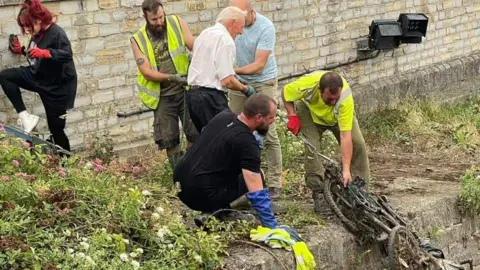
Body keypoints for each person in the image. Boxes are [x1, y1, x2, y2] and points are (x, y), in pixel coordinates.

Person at [173, 94, 289, 229]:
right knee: (258, 175)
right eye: (271, 117)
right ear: (258, 117)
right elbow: (256, 189)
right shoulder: (247, 142)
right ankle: (219, 211)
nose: (273, 121)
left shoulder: (223, 117)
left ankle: (213, 210)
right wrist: (271, 226)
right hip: (201, 195)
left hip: (179, 185)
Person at [282, 70, 371, 216]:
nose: (333, 102)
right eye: (329, 99)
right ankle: (319, 192)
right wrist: (292, 115)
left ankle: (359, 191)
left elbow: (345, 136)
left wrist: (346, 170)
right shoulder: (307, 85)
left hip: (335, 117)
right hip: (310, 113)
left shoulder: (344, 99)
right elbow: (285, 93)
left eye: (336, 99)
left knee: (358, 144)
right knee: (312, 148)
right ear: (319, 91)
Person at [0, 0, 77, 152]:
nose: (26, 29)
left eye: (28, 25)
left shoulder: (56, 33)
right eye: (23, 26)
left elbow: (67, 54)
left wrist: (47, 53)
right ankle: (25, 117)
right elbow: (35, 53)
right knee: (5, 76)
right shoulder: (38, 33)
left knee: (56, 129)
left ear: (39, 20)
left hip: (56, 88)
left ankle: (67, 164)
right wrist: (21, 51)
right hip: (38, 76)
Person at [130, 0, 198, 168]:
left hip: (186, 90)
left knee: (195, 133)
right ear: (144, 16)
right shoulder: (138, 39)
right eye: (154, 20)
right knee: (169, 140)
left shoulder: (177, 23)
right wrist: (172, 78)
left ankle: (193, 170)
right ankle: (179, 177)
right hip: (163, 98)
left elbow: (194, 46)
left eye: (161, 17)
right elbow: (146, 71)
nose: (160, 22)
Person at [229, 0, 283, 199]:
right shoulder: (231, 24)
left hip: (263, 82)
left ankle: (275, 182)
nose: (238, 26)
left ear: (249, 11)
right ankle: (238, 180)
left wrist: (231, 71)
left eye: (240, 19)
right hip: (238, 83)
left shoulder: (265, 27)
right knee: (235, 130)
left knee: (267, 132)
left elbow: (259, 65)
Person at [186, 6, 256, 133]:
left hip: (193, 96)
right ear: (232, 22)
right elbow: (227, 81)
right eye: (241, 27)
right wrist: (245, 89)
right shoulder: (225, 40)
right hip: (210, 98)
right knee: (225, 137)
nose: (241, 32)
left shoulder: (205, 33)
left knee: (207, 140)